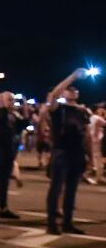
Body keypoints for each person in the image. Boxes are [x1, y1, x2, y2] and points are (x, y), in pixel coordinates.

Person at [45, 68, 91, 235]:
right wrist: (72, 77)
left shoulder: (81, 111)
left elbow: (86, 134)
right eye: (70, 89)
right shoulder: (59, 109)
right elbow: (53, 96)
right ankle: (51, 223)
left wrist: (88, 156)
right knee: (56, 188)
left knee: (72, 190)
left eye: (75, 89)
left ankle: (67, 222)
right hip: (61, 152)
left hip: (77, 153)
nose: (73, 90)